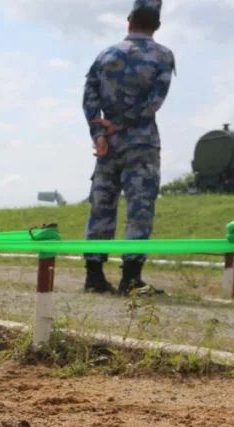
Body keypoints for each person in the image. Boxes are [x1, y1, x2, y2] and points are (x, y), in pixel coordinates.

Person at [82, 0, 174, 296]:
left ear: (129, 20)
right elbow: (154, 103)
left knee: (101, 207)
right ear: (157, 25)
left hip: (108, 148)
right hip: (142, 145)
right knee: (140, 209)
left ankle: (94, 277)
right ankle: (131, 279)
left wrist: (100, 133)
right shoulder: (162, 56)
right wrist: (119, 124)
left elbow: (89, 98)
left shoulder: (106, 54)